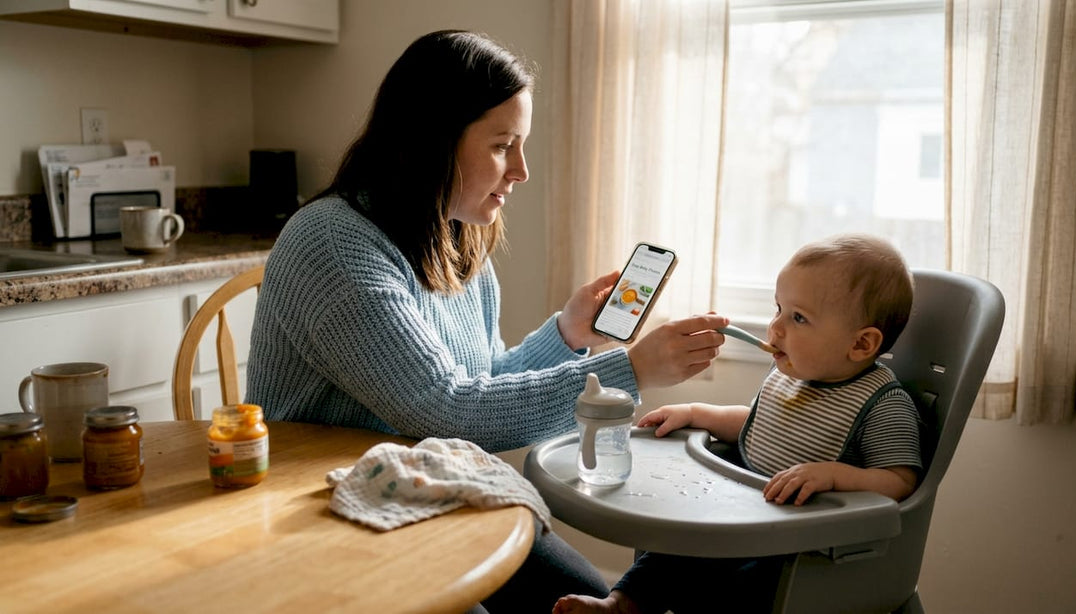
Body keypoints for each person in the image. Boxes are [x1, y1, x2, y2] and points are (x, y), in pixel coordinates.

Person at [243, 30, 729, 612]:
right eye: (502, 145)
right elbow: (446, 408)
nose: (520, 170)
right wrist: (629, 369)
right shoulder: (334, 244)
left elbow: (481, 378)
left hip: (427, 489)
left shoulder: (455, 234)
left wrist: (568, 335)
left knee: (596, 602)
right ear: (431, 142)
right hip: (330, 508)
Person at [554, 234, 924, 614]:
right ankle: (621, 604)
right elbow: (758, 423)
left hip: (800, 545)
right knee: (682, 542)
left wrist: (832, 475)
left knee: (744, 581)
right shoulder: (793, 376)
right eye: (778, 309)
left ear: (862, 345)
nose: (775, 327)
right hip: (746, 517)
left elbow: (900, 482)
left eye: (798, 318)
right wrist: (698, 413)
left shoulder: (881, 405)